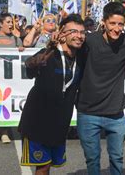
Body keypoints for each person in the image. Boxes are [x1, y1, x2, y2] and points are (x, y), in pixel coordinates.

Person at [77, 2, 125, 175]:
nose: (116, 28)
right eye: (112, 23)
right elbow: (68, 42)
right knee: (92, 160)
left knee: (117, 159)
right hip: (88, 112)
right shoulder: (90, 40)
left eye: (120, 24)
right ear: (104, 22)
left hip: (115, 113)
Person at [19, 14, 86, 175]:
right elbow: (29, 68)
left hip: (60, 123)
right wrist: (49, 48)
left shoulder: (82, 57)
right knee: (42, 167)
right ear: (62, 33)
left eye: (82, 32)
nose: (79, 36)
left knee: (49, 166)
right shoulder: (48, 53)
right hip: (37, 122)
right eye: (73, 31)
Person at [0, 13, 24, 144]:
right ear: (1, 24)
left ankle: (7, 129)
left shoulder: (16, 39)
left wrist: (22, 49)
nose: (10, 24)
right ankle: (3, 131)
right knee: (0, 102)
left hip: (11, 77)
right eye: (7, 22)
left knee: (10, 102)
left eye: (11, 22)